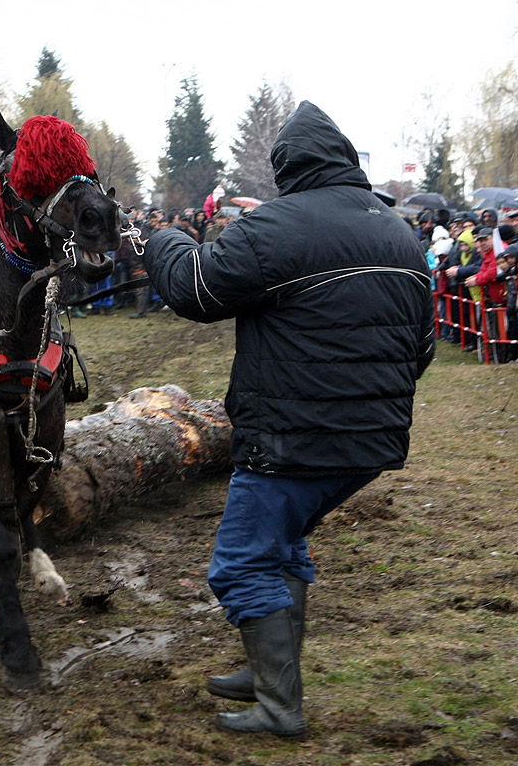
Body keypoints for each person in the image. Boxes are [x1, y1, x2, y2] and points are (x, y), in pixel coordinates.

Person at [143, 101, 434, 739]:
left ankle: (280, 705)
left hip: (289, 439)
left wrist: (159, 238)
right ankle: (266, 672)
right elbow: (423, 347)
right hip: (371, 442)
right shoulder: (398, 233)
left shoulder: (277, 226)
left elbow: (196, 288)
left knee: (241, 563)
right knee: (285, 544)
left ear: (287, 168)